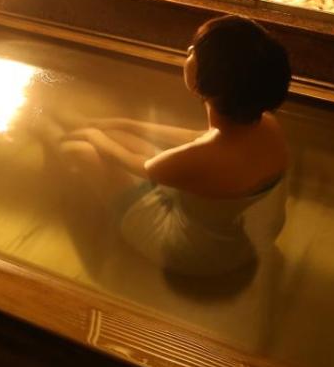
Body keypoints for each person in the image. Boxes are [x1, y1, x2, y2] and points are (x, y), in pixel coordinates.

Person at [43, 15, 292, 277]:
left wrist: (93, 134)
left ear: (210, 81)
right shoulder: (266, 125)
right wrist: (125, 124)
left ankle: (48, 129)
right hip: (239, 238)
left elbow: (143, 166)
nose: (190, 50)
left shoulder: (204, 156)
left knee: (79, 151)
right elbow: (195, 139)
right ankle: (70, 125)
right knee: (119, 137)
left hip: (194, 255)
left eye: (196, 51)